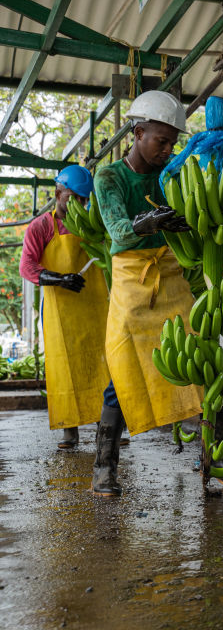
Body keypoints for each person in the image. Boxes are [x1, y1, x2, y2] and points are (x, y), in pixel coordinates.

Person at [91, 91, 223, 496]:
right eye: (161, 140)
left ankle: (215, 460)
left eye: (173, 142)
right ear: (138, 132)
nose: (168, 149)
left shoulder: (172, 175)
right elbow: (119, 230)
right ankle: (104, 467)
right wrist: (150, 220)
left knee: (206, 366)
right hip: (131, 284)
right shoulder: (110, 177)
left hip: (172, 276)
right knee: (122, 375)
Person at [19, 165, 115, 450]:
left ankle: (106, 424)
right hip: (61, 310)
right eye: (74, 197)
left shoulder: (92, 223)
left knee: (102, 364)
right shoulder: (42, 226)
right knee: (64, 367)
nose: (80, 204)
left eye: (85, 199)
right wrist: (58, 279)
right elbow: (27, 266)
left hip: (96, 306)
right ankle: (69, 428)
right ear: (58, 193)